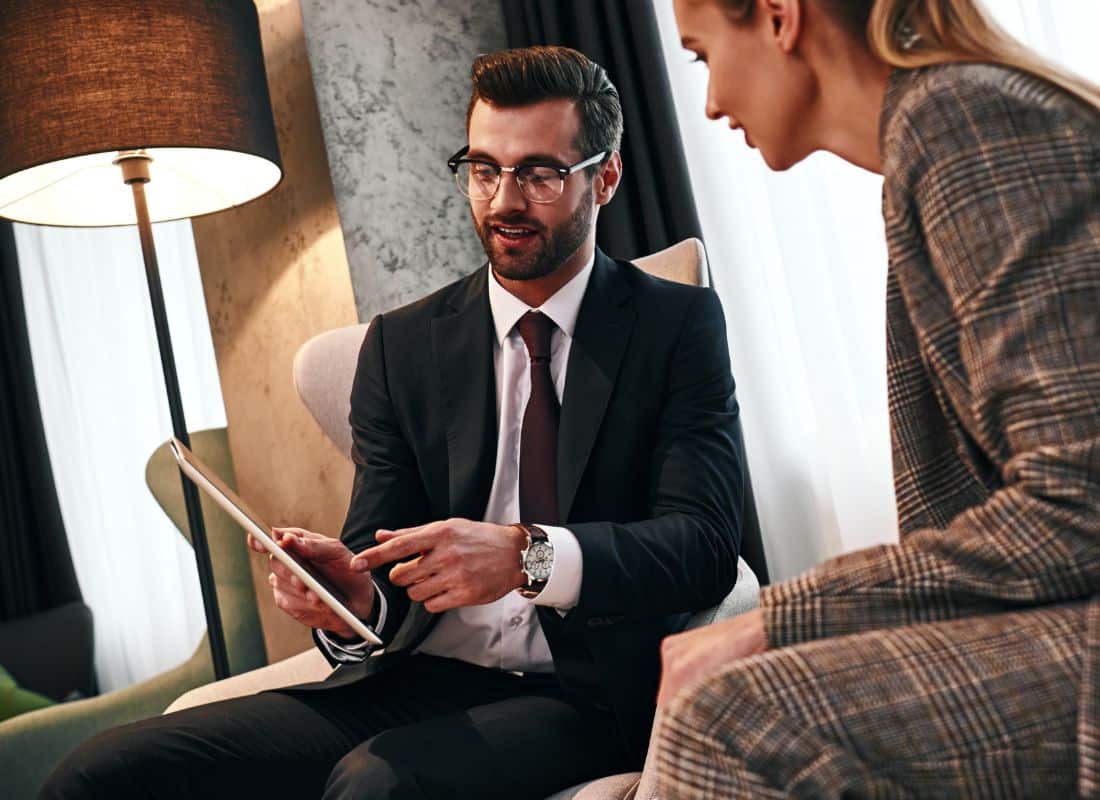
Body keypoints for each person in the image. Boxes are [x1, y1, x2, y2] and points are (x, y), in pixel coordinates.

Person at [42, 46, 747, 799]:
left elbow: (703, 546)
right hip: (417, 677)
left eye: (538, 174)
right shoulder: (403, 347)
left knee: (374, 787)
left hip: (584, 696)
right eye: (483, 169)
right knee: (101, 772)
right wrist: (348, 596)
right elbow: (378, 551)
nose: (502, 200)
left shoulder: (675, 325)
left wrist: (526, 556)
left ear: (603, 178)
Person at [656, 0, 1100, 797]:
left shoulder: (965, 124)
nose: (713, 101)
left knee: (736, 718)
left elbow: (1081, 506)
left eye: (701, 56)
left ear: (779, 16)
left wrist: (783, 616)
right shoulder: (933, 141)